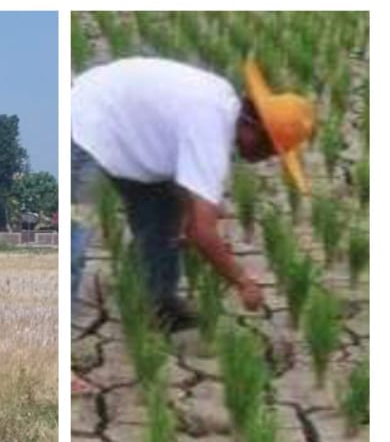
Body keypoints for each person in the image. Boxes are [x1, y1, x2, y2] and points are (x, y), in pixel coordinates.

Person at [71, 56, 316, 333]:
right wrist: (242, 281)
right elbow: (201, 232)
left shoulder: (223, 103)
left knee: (163, 217)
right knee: (72, 241)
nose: (265, 159)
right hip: (82, 126)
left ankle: (157, 305)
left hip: (128, 132)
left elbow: (189, 186)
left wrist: (194, 208)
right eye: (269, 150)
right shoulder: (211, 127)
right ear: (255, 129)